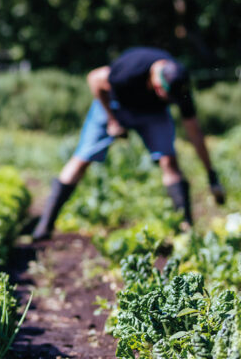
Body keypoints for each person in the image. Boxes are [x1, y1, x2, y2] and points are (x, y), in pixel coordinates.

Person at [32, 46, 225, 240]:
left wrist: (211, 174)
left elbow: (194, 133)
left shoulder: (179, 85)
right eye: (163, 93)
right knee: (82, 159)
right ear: (157, 82)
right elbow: (94, 78)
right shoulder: (130, 70)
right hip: (114, 104)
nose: (166, 98)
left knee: (169, 161)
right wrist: (112, 120)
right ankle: (45, 225)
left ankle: (186, 230)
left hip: (152, 113)